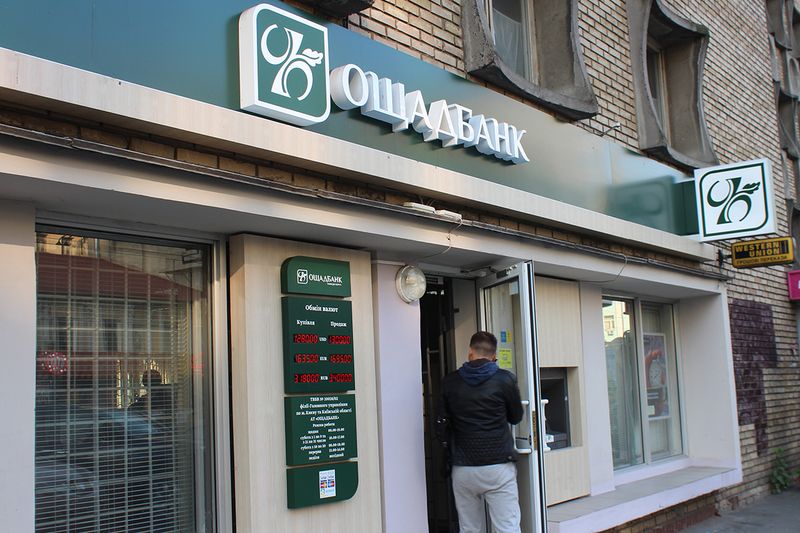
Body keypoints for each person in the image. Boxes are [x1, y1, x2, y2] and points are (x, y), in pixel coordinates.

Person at [440, 331, 524, 533]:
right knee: (507, 528)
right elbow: (516, 417)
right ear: (494, 356)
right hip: (498, 466)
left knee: (469, 529)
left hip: (463, 467)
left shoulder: (450, 382)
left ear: (470, 352)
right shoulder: (505, 380)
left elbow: (441, 423)